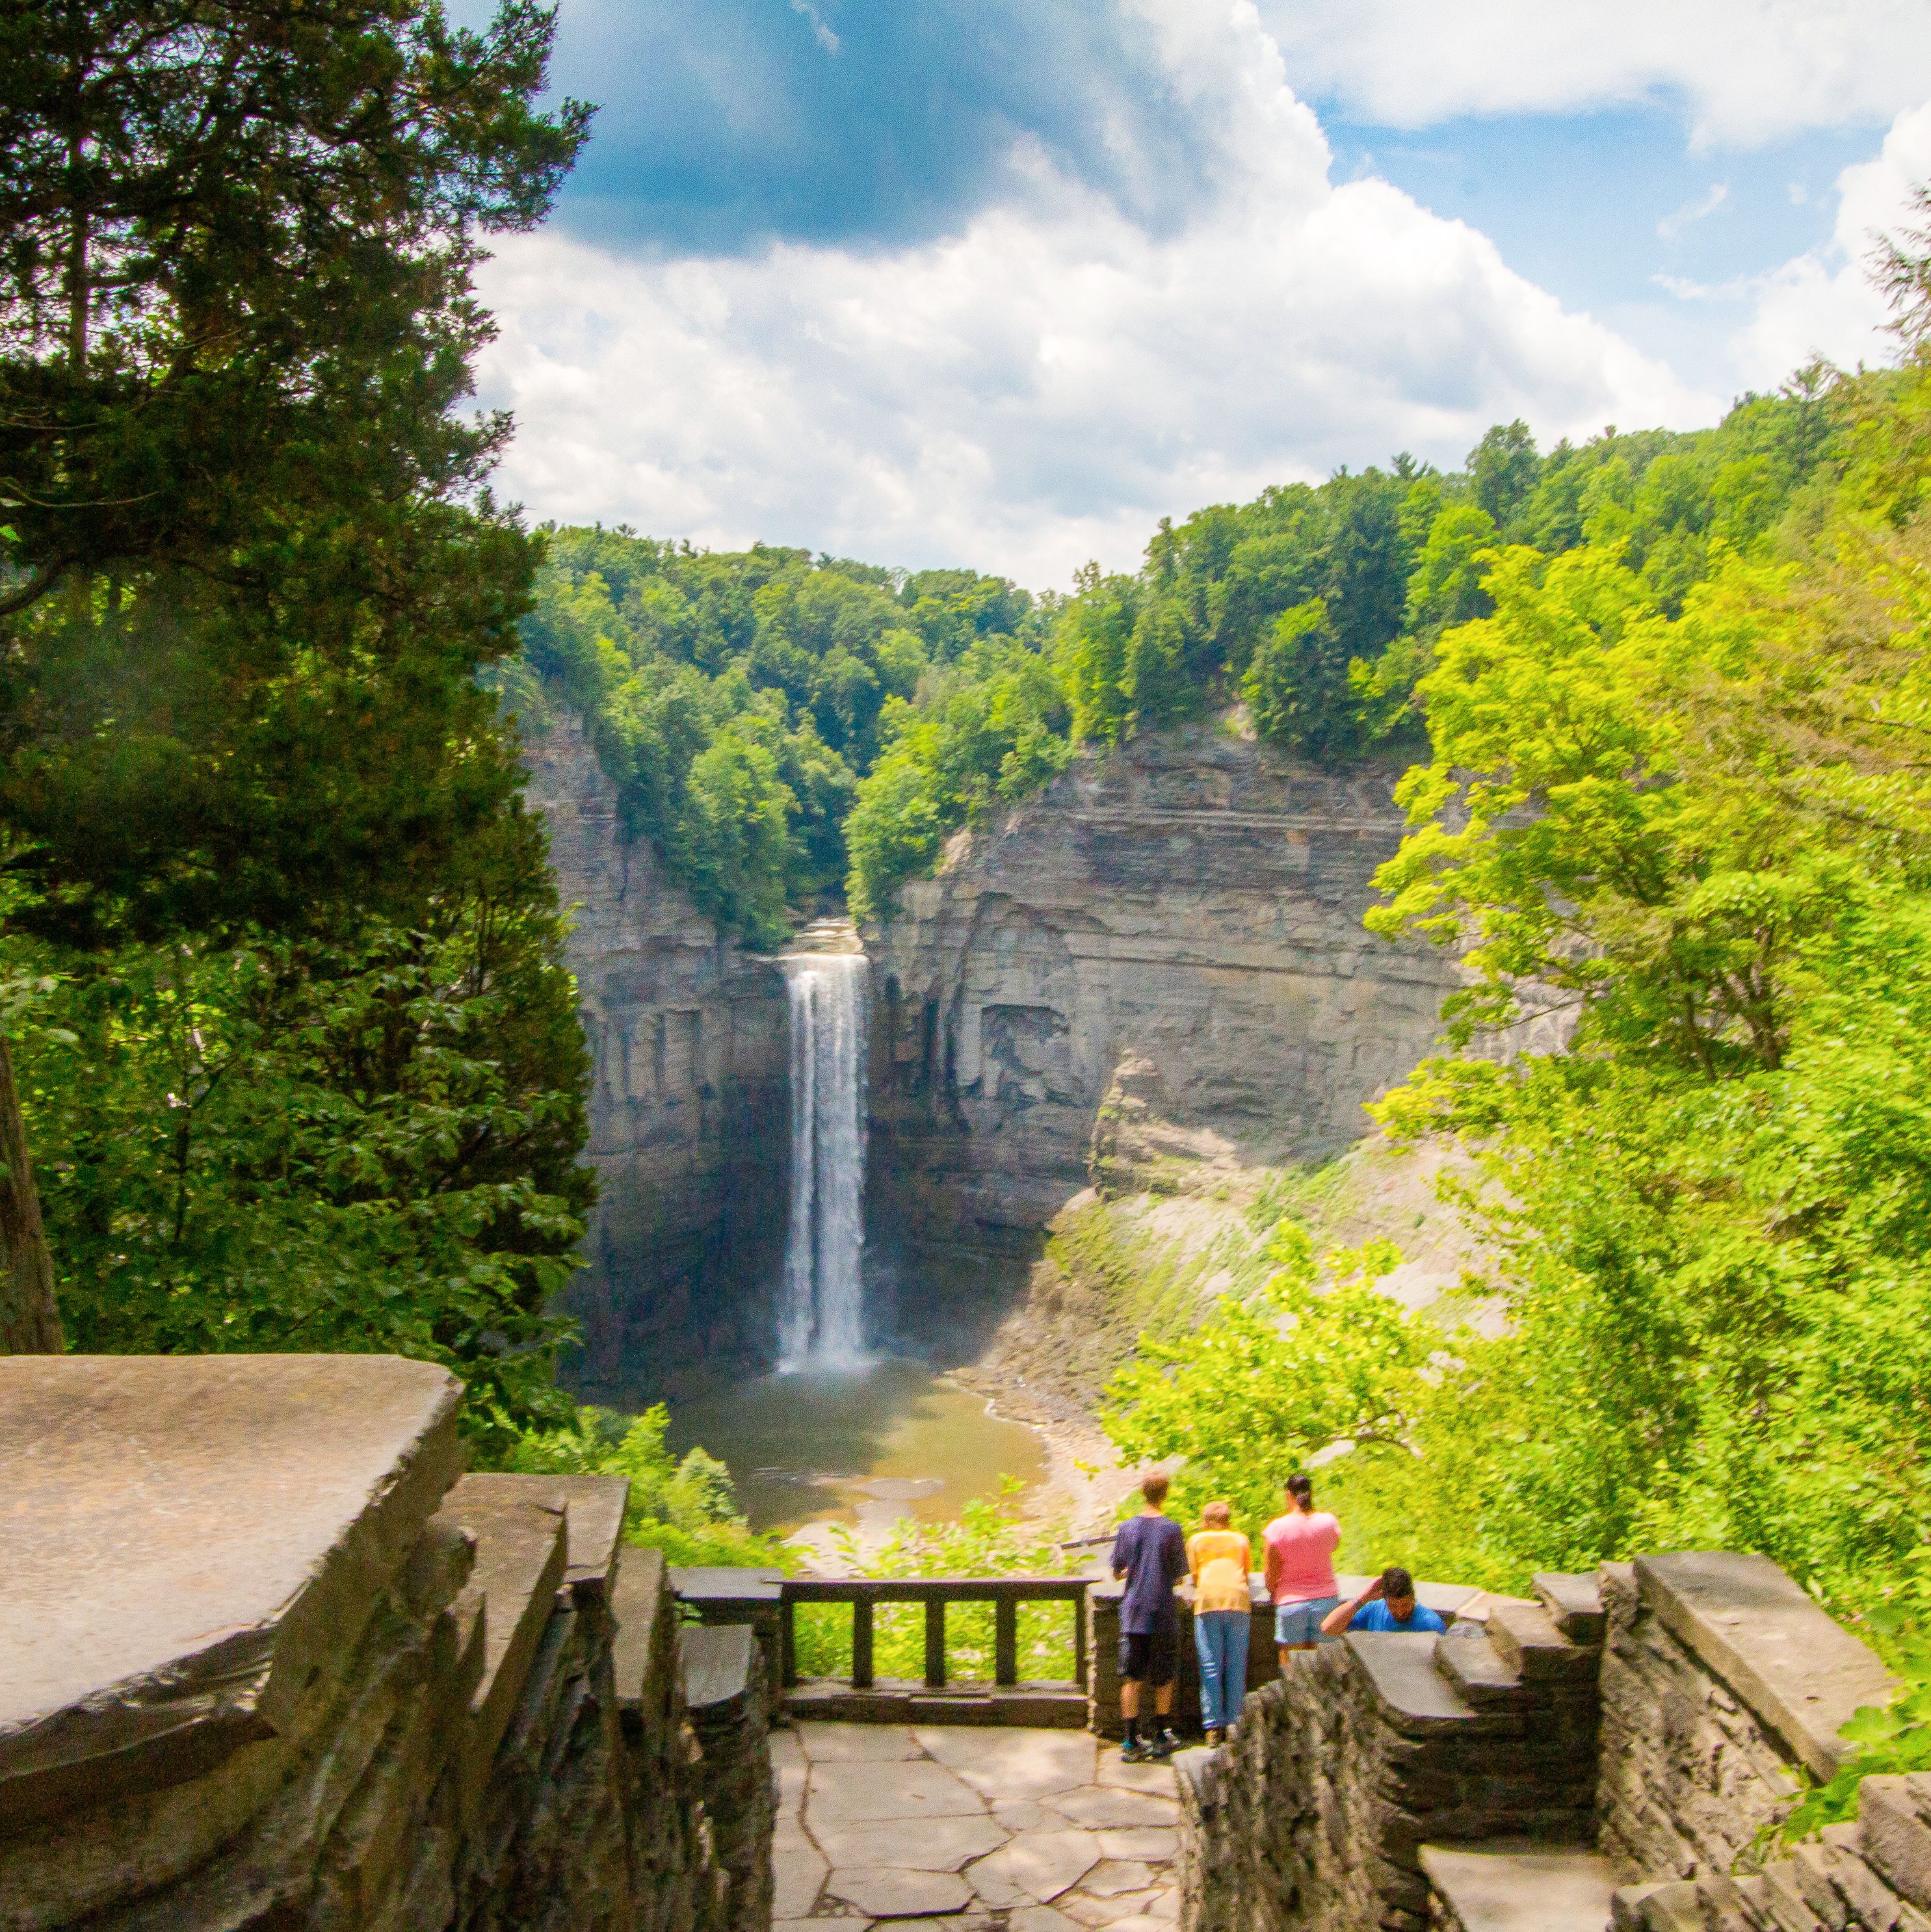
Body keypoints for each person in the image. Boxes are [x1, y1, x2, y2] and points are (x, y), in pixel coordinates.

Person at [1112, 1470, 1188, 1761]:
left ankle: (1130, 1741)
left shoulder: (1127, 1528)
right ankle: (1159, 1735)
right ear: (1164, 1495)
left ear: (1142, 1493)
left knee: (1131, 1677)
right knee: (1164, 1676)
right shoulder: (1172, 1529)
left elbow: (1118, 1571)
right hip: (1163, 1610)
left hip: (1134, 1612)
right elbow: (1180, 1577)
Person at [1187, 1500, 1252, 1745]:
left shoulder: (1196, 1541)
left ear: (1206, 1522)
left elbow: (1195, 1576)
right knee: (1236, 1664)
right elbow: (1245, 1572)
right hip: (1238, 1601)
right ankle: (1235, 1723)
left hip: (1208, 1603)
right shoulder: (1241, 1540)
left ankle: (1213, 1727)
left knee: (1211, 1665)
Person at [1263, 1473, 1342, 1671]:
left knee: (1292, 1671)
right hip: (1326, 1601)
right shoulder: (1329, 1522)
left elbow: (1271, 1575)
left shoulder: (1278, 1528)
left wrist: (1274, 1589)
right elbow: (1333, 1546)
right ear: (1311, 1493)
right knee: (1324, 1670)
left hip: (1291, 1602)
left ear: (1288, 1495)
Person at [1320, 1565, 1449, 1637]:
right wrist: (1363, 1598)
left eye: (1405, 1604)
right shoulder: (1374, 1609)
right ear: (1384, 1598)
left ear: (1413, 1596)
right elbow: (1328, 1628)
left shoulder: (1431, 1625)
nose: (1399, 1612)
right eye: (1392, 1606)